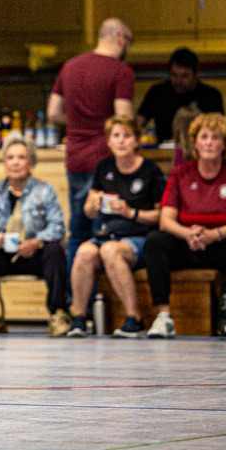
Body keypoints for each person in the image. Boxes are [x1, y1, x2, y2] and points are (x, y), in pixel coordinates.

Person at [0, 133, 70, 336]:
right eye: (10, 158)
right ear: (5, 163)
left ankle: (59, 314)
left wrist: (36, 242)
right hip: (1, 255)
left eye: (21, 157)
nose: (15, 163)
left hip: (32, 256)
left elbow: (57, 227)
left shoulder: (45, 191)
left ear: (31, 163)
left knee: (54, 250)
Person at [47, 17, 135, 271]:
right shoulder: (121, 71)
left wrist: (75, 122)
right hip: (105, 161)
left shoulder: (70, 67)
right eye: (128, 42)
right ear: (120, 38)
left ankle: (77, 299)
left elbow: (53, 113)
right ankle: (101, 300)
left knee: (78, 230)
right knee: (103, 232)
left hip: (75, 158)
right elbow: (124, 118)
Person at [67, 116, 165, 338]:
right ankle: (79, 318)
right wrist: (93, 203)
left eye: (127, 136)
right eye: (116, 136)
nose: (121, 141)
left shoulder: (150, 171)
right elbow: (88, 211)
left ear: (137, 141)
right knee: (83, 252)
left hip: (139, 237)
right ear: (109, 142)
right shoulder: (104, 168)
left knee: (111, 251)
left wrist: (131, 212)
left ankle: (134, 319)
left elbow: (162, 216)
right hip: (107, 234)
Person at [142, 113, 226, 338]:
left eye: (215, 137)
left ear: (225, 144)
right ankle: (163, 317)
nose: (209, 142)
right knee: (155, 241)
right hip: (189, 244)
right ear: (195, 143)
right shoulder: (181, 173)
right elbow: (165, 220)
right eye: (204, 137)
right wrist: (188, 234)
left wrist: (215, 235)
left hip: (224, 244)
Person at [137, 48, 224, 142]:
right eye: (174, 75)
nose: (178, 81)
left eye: (184, 76)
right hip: (164, 151)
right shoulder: (157, 92)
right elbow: (139, 123)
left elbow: (221, 129)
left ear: (196, 73)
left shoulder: (211, 96)